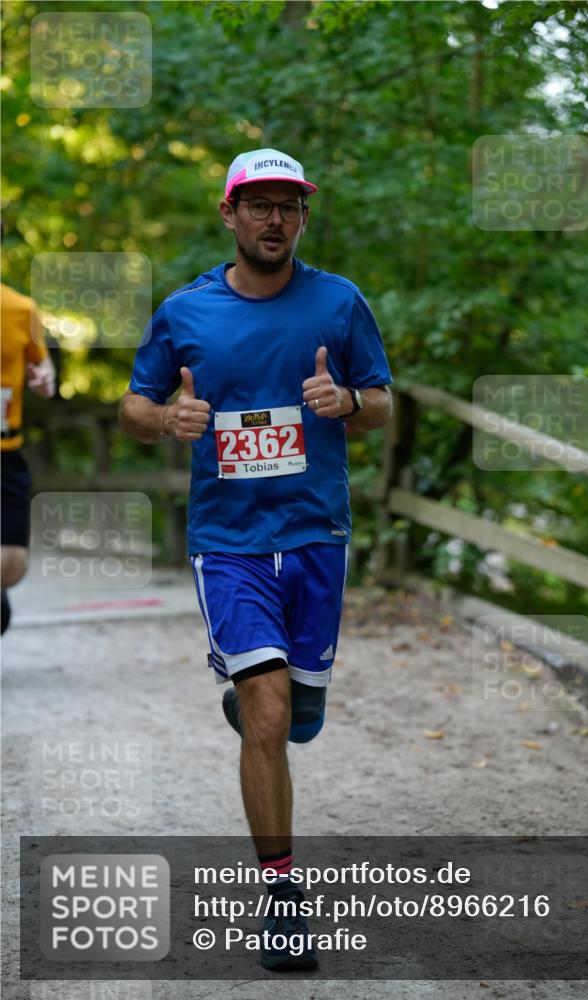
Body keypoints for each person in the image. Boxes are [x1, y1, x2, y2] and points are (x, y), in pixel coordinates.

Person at [119, 148, 393, 971]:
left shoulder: (339, 303)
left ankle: (272, 703)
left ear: (302, 218)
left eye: (289, 206)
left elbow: (382, 403)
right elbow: (133, 404)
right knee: (267, 714)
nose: (275, 219)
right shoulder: (185, 311)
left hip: (316, 536)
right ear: (229, 213)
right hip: (228, 542)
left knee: (297, 716)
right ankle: (281, 899)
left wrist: (346, 401)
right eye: (259, 204)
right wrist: (168, 421)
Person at [1, 269, 56, 634]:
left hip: (5, 449)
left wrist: (45, 377)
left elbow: (43, 363)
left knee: (11, 564)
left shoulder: (20, 309)